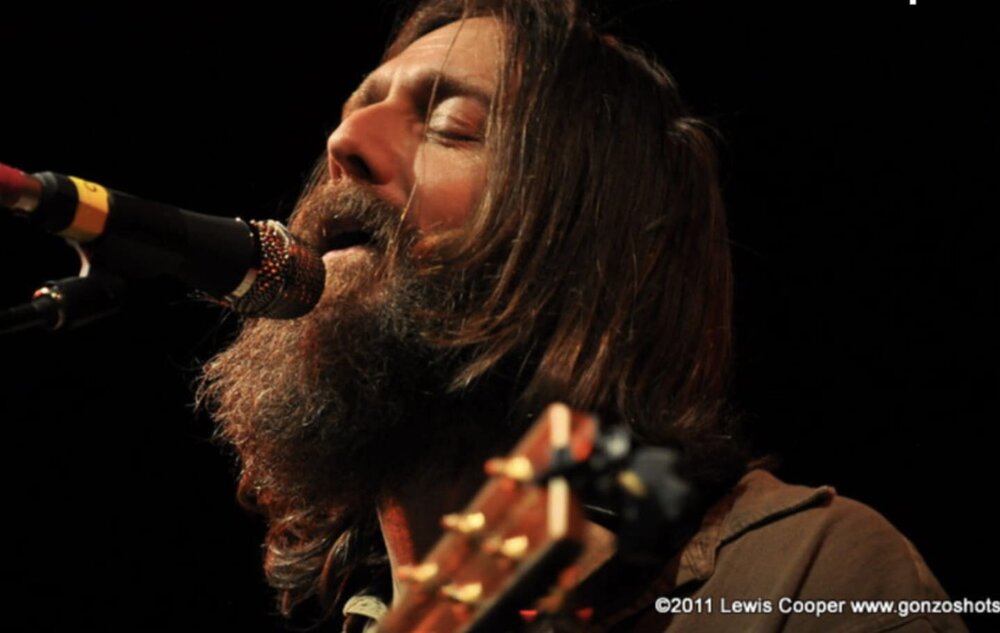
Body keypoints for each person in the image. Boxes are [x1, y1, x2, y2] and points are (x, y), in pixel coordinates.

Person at [198, 1, 969, 631]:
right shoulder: (362, 613)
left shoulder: (805, 578)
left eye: (451, 124)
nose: (343, 143)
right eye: (353, 111)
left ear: (586, 239)